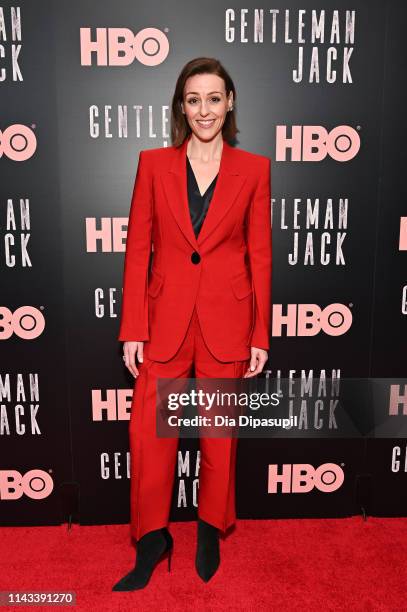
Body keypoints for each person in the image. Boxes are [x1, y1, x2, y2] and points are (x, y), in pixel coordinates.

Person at [112, 57, 272, 591]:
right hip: (164, 319)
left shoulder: (254, 169)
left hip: (228, 319)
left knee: (218, 436)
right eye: (194, 99)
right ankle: (153, 537)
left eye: (214, 98)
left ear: (230, 103)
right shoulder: (153, 163)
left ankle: (209, 528)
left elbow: (260, 255)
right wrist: (132, 327)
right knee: (149, 437)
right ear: (182, 107)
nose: (205, 109)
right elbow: (137, 250)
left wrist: (259, 335)